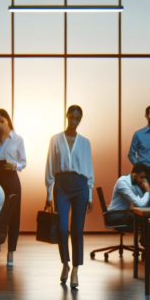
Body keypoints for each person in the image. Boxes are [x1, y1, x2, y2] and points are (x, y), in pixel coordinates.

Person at [44, 104, 94, 289]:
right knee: (62, 228)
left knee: (77, 229)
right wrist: (48, 192)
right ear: (66, 116)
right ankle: (64, 263)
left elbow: (89, 168)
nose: (74, 122)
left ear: (80, 120)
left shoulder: (85, 142)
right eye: (71, 118)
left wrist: (90, 194)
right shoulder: (55, 139)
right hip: (61, 185)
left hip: (80, 186)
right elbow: (50, 165)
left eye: (77, 119)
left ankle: (75, 270)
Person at [0, 109, 26, 267]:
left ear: (8, 121)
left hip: (12, 179)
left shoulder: (17, 139)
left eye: (2, 122)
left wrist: (14, 165)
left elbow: (24, 162)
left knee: (14, 216)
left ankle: (11, 252)